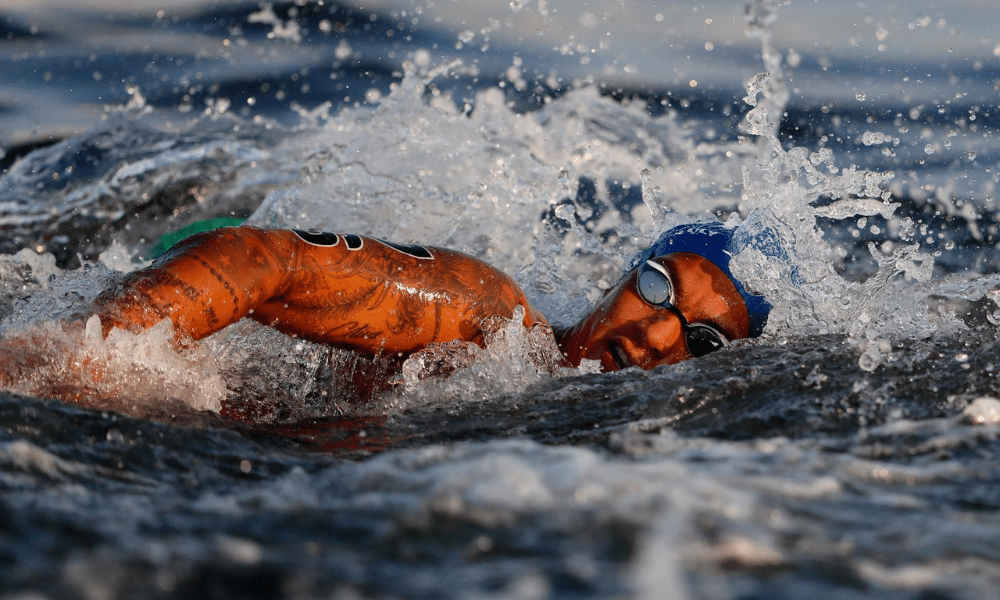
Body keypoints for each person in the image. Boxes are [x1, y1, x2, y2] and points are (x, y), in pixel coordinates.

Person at [91, 221, 771, 376]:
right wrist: (100, 354)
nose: (658, 336)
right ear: (619, 277)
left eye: (704, 342)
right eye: (657, 288)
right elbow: (265, 258)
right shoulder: (487, 320)